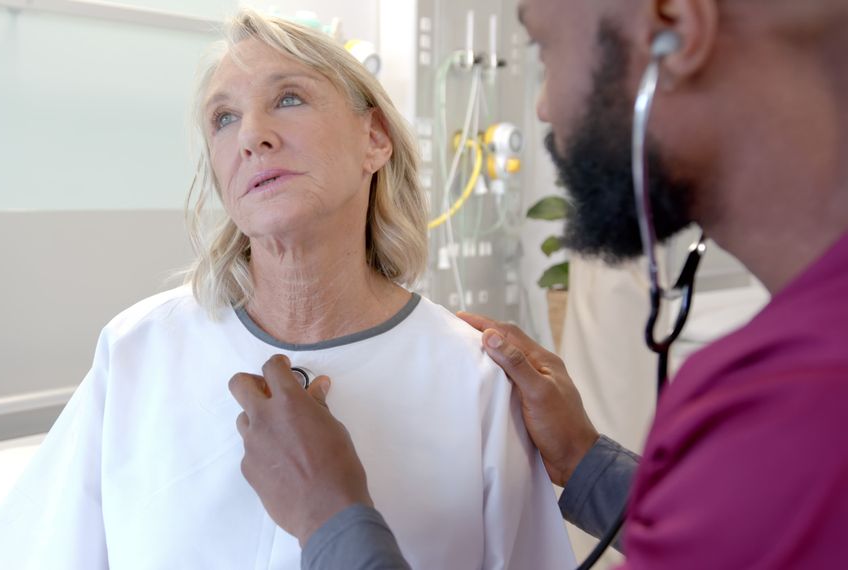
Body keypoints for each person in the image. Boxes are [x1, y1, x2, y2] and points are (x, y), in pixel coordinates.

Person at [231, 0, 848, 567]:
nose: (544, 106)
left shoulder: (803, 405)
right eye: (223, 117)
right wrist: (584, 460)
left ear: (673, 32)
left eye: (547, 51)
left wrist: (331, 518)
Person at [0, 10, 575, 569]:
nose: (252, 134)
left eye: (289, 98)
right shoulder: (137, 350)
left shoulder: (475, 377)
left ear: (375, 139)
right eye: (224, 118)